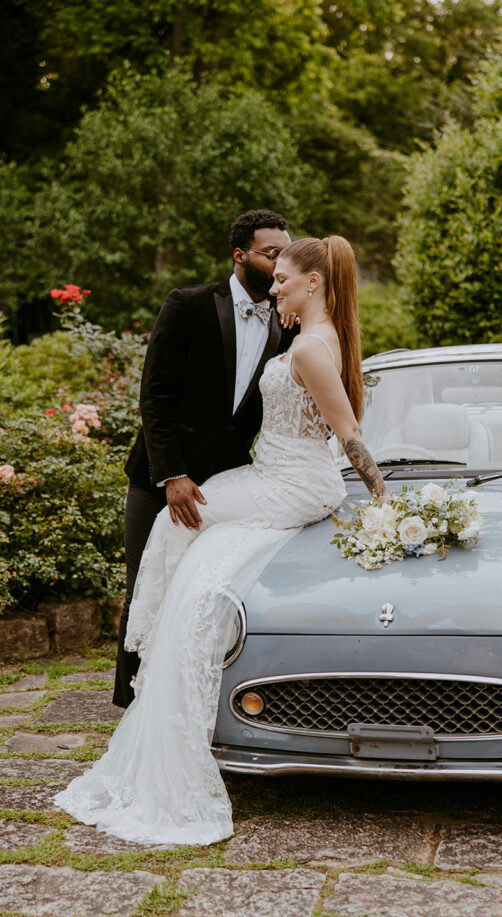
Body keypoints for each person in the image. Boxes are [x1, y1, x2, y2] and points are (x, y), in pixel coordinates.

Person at [55, 235, 388, 846]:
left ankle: (155, 652)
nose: (276, 284)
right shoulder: (307, 333)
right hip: (274, 474)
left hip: (295, 485)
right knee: (185, 530)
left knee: (180, 525)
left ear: (313, 283)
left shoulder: (312, 347)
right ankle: (158, 662)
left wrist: (384, 502)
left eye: (284, 276)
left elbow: (348, 432)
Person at [113, 208, 297, 709]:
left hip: (232, 486)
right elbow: (155, 396)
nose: (281, 263)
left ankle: (193, 701)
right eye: (271, 253)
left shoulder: (288, 322)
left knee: (205, 594)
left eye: (287, 253)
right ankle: (134, 707)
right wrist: (172, 474)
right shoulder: (188, 305)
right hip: (161, 478)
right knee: (146, 584)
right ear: (241, 255)